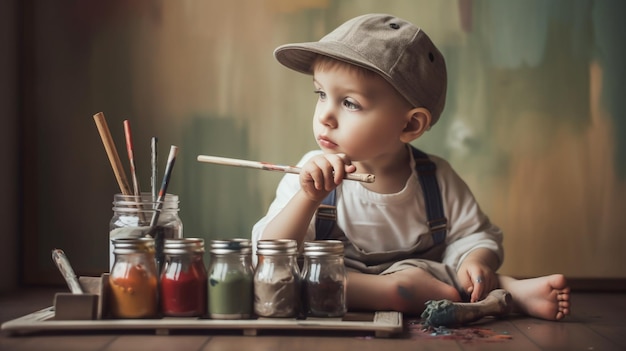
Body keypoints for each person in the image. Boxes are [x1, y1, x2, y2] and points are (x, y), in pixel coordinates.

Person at [252, 13, 570, 320]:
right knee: (296, 280)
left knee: (461, 273)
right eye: (321, 94)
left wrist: (476, 261)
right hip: (339, 284)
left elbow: (475, 236)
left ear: (410, 124)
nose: (325, 116)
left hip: (424, 279)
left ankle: (505, 293)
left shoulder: (436, 179)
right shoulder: (311, 173)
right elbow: (270, 253)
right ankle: (417, 293)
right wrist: (308, 198)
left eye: (349, 102)